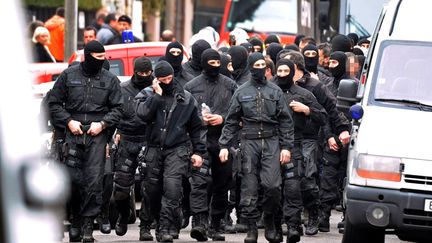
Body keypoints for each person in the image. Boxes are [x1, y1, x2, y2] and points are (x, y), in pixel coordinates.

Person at [47, 40, 123, 242]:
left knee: (93, 181)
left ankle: (88, 227)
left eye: (103, 58)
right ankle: (75, 221)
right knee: (72, 180)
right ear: (88, 56)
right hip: (73, 133)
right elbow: (54, 103)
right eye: (97, 58)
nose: (101, 61)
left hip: (96, 135)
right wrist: (68, 121)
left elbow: (118, 109)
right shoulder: (68, 76)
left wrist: (104, 124)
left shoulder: (110, 80)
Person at [219, 52, 294, 243]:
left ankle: (269, 218)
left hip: (271, 141)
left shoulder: (275, 91)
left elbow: (286, 121)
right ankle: (251, 228)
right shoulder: (241, 91)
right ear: (251, 67)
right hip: (249, 141)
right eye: (257, 64)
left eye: (263, 64)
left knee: (273, 186)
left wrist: (286, 147)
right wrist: (225, 145)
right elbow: (232, 120)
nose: (261, 68)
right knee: (249, 188)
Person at [135, 61, 207, 242]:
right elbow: (142, 115)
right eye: (163, 79)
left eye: (169, 78)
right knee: (152, 190)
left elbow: (196, 128)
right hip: (153, 149)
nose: (167, 82)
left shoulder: (186, 97)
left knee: (173, 189)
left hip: (177, 149)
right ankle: (149, 223)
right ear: (156, 80)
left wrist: (198, 152)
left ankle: (165, 228)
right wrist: (156, 97)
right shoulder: (146, 95)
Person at [184, 49, 237, 242]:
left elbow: (237, 114)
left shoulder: (230, 85)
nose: (215, 66)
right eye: (211, 62)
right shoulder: (191, 86)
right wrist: (200, 120)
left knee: (222, 184)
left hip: (223, 142)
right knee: (199, 183)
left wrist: (222, 118)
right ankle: (199, 223)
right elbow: (184, 115)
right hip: (199, 141)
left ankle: (216, 225)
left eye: (217, 62)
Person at [273, 58, 327, 242]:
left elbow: (323, 116)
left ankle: (305, 219)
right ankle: (277, 223)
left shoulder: (304, 94)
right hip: (273, 143)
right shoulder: (269, 91)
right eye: (278, 71)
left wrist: (307, 110)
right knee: (273, 186)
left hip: (301, 142)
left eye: (285, 71)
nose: (281, 75)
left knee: (301, 184)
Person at [112, 57, 154, 237]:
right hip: (127, 141)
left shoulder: (156, 89)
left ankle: (145, 225)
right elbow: (113, 113)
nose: (144, 76)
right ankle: (124, 215)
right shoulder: (122, 89)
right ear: (134, 72)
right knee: (120, 189)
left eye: (147, 73)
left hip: (148, 140)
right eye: (141, 73)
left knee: (149, 188)